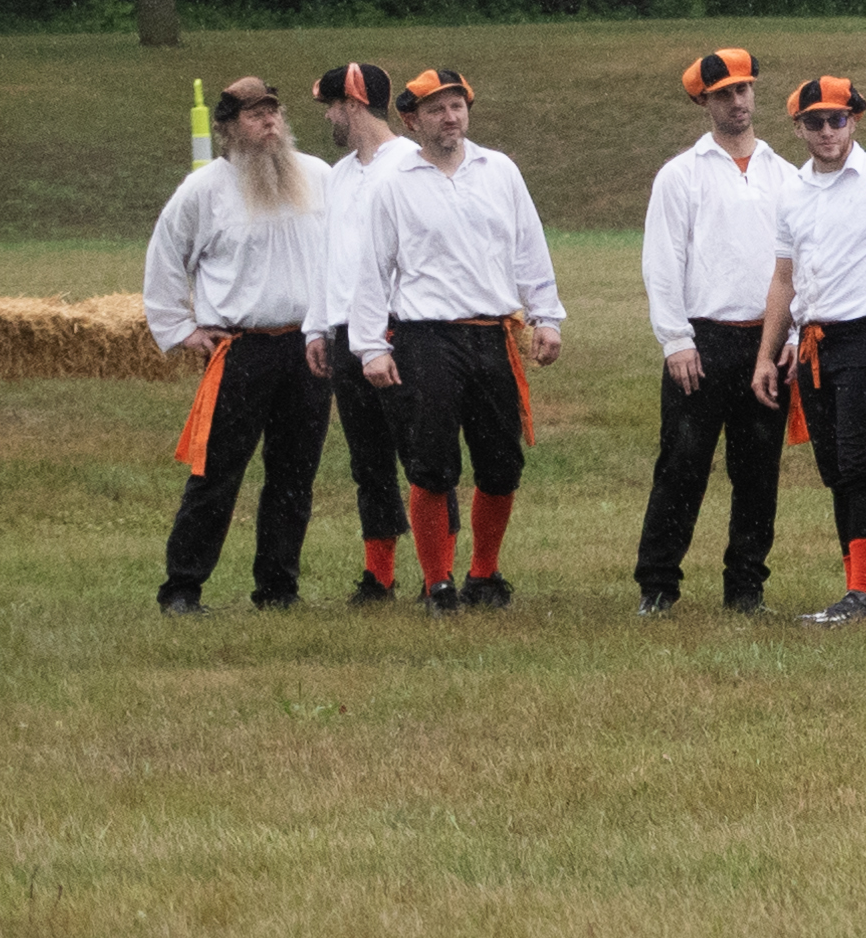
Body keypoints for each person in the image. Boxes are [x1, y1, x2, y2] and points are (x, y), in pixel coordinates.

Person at [339, 65, 565, 611]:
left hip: (491, 335)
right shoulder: (394, 185)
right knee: (432, 463)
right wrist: (370, 346)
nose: (450, 117)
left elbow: (528, 247)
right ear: (412, 120)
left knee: (501, 463)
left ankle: (483, 576)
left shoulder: (500, 170)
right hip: (425, 337)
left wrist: (547, 316)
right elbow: (373, 269)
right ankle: (437, 582)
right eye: (437, 109)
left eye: (457, 105)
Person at [139, 75, 339, 611]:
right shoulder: (202, 192)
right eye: (256, 115)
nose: (270, 122)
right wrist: (182, 330)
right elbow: (164, 259)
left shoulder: (319, 177)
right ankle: (182, 588)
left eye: (274, 112)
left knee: (294, 475)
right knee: (216, 473)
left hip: (309, 350)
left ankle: (278, 588)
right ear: (228, 128)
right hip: (240, 350)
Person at [630, 45, 794, 618]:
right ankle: (658, 583)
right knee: (681, 465)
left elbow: (802, 267)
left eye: (744, 90)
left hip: (766, 343)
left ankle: (746, 585)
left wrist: (789, 340)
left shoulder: (785, 174)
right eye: (724, 94)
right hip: (703, 339)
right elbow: (662, 263)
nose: (737, 102)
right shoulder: (681, 175)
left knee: (757, 470)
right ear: (704, 100)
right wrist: (676, 340)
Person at [753, 73, 866, 619]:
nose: (827, 131)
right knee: (837, 468)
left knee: (865, 467)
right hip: (815, 342)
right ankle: (855, 590)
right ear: (797, 127)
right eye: (814, 122)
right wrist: (770, 352)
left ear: (855, 121)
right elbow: (784, 278)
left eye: (837, 119)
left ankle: (863, 593)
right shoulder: (791, 191)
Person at [306, 62, 413, 601]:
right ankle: (380, 575)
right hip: (346, 330)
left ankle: (438, 570)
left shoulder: (409, 165)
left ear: (351, 104)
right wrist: (316, 328)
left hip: (401, 329)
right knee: (368, 460)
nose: (327, 116)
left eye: (329, 105)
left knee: (421, 454)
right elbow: (328, 256)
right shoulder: (342, 174)